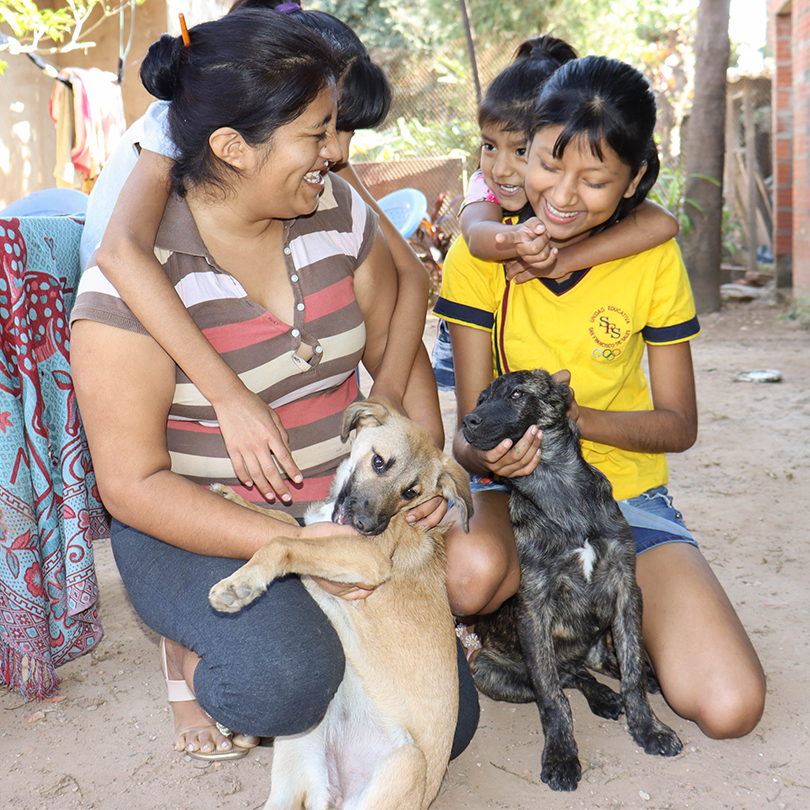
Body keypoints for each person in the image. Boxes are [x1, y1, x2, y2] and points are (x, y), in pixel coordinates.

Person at [70, 12, 478, 761]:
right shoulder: (128, 285)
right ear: (231, 147)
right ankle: (188, 656)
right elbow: (131, 486)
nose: (337, 154)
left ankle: (298, 611)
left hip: (335, 505)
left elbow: (400, 344)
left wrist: (411, 477)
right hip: (197, 521)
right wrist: (292, 541)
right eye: (317, 135)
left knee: (447, 728)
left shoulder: (337, 214)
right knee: (283, 683)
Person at [435, 54, 766, 740]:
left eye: (595, 179)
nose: (561, 193)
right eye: (548, 163)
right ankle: (495, 630)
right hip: (515, 498)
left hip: (625, 500)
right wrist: (503, 459)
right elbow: (467, 435)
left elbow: (678, 425)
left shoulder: (650, 258)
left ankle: (610, 623)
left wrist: (574, 421)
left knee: (731, 706)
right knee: (467, 579)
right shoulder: (481, 256)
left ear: (635, 179)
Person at [83, 0, 442, 507]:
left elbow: (409, 280)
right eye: (322, 130)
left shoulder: (326, 192)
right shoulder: (166, 139)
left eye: (338, 128)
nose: (338, 150)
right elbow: (119, 254)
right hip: (136, 308)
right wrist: (228, 395)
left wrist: (392, 405)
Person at [432, 35, 679, 390]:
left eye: (520, 150)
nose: (501, 169)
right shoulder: (486, 188)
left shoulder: (569, 189)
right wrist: (517, 241)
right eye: (489, 146)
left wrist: (565, 260)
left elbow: (662, 223)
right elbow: (476, 236)